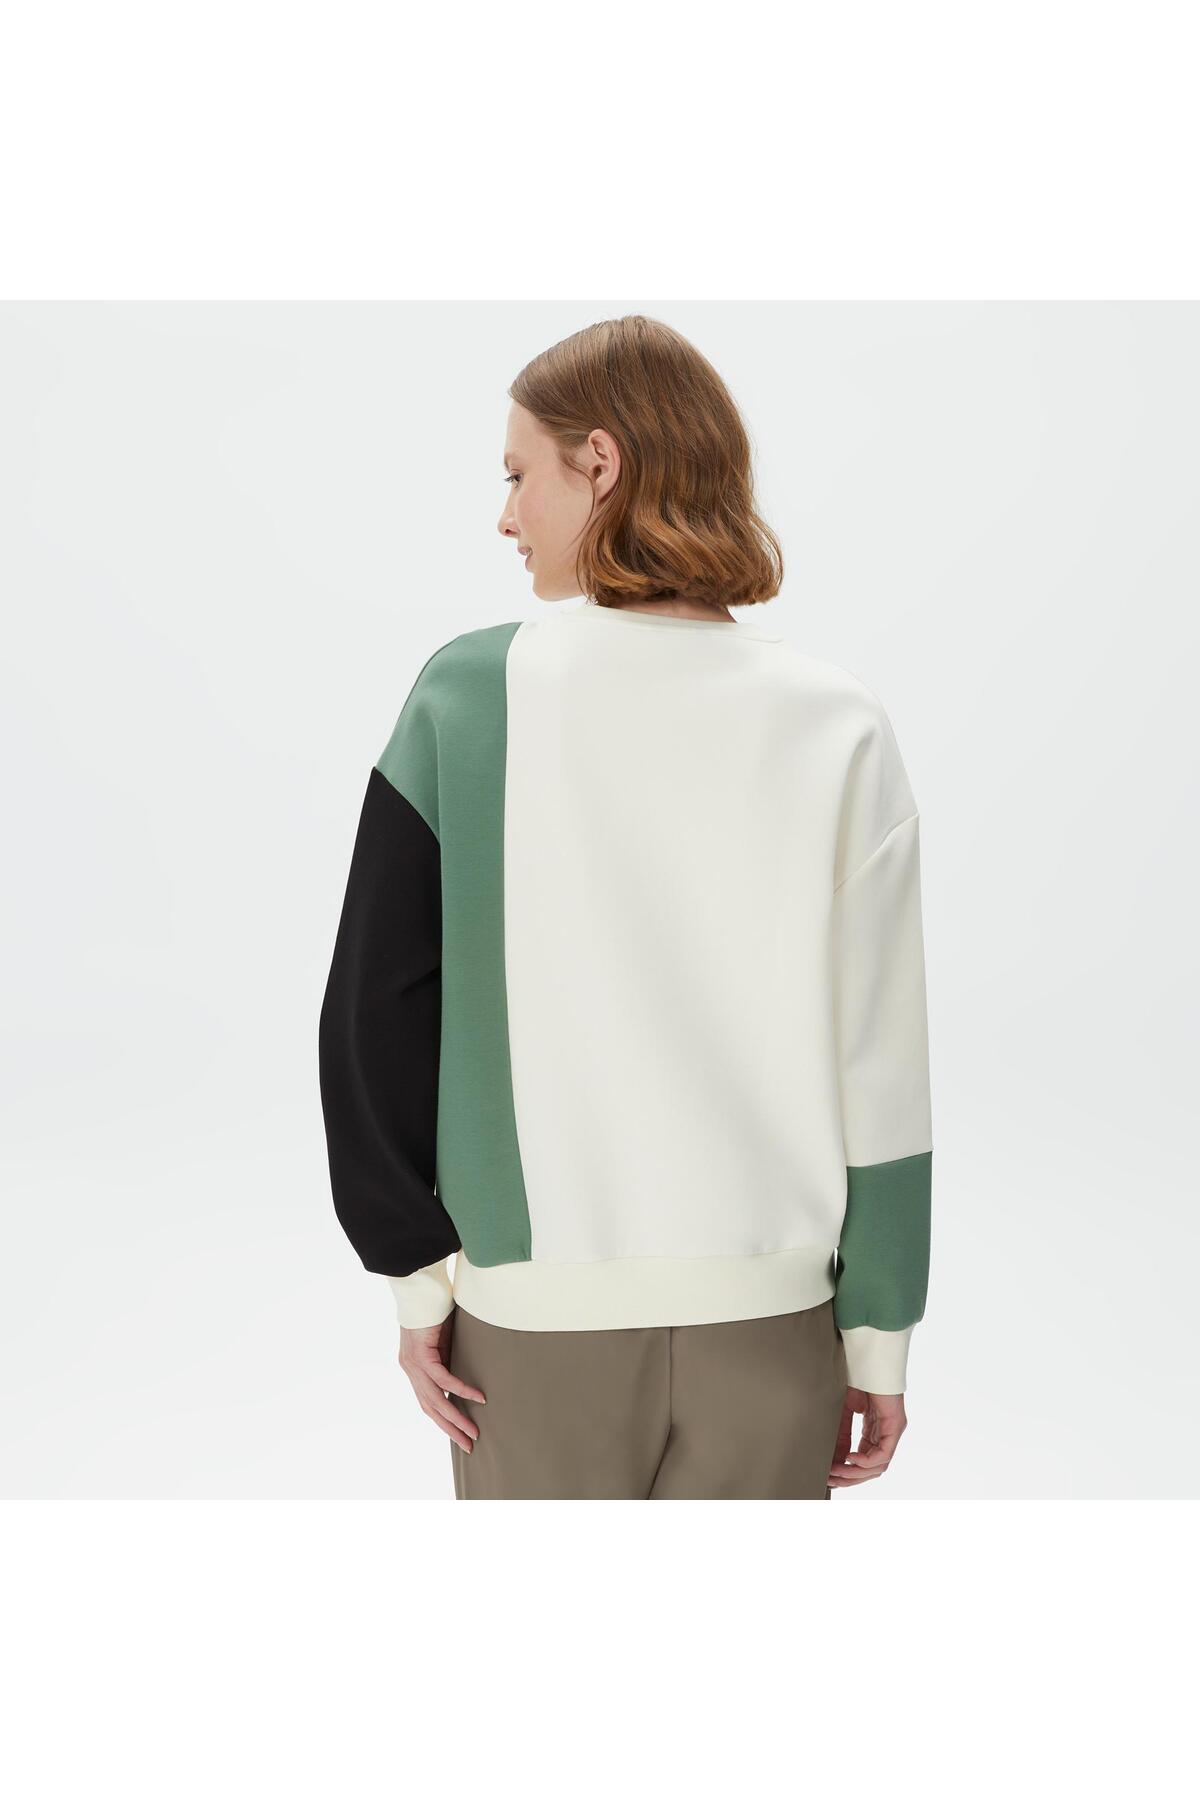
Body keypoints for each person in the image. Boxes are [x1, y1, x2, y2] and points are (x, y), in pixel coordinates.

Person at [318, 313, 933, 1500]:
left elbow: (372, 1013)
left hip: (532, 1334)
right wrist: (878, 1340)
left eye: (517, 475)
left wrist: (416, 1281)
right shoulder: (839, 723)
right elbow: (885, 1063)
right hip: (777, 1335)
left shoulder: (470, 696)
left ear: (599, 462)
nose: (506, 518)